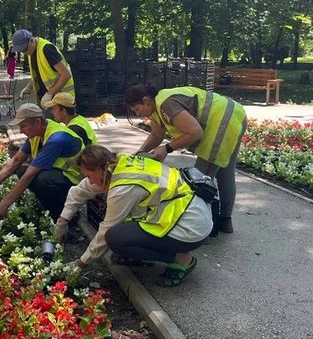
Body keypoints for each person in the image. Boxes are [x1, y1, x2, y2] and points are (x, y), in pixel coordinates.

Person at [56, 146, 213, 286]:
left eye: (89, 176)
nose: (89, 181)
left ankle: (182, 259)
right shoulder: (118, 163)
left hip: (189, 226)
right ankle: (143, 256)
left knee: (115, 238)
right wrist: (63, 221)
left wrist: (80, 263)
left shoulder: (123, 187)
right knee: (122, 236)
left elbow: (105, 231)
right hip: (185, 211)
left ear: (100, 169)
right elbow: (81, 190)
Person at [124, 85, 247, 234]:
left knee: (199, 180)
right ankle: (225, 221)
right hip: (233, 114)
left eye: (137, 109)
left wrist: (167, 148)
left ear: (146, 101)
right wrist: (140, 153)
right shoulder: (157, 108)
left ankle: (199, 227)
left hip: (223, 121)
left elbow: (195, 132)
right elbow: (157, 136)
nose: (137, 114)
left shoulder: (166, 104)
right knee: (225, 173)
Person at [0, 103, 84, 222]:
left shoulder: (56, 138)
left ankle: (64, 216)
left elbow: (30, 174)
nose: (21, 131)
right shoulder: (36, 133)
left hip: (77, 181)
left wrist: (5, 204)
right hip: (60, 175)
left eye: (23, 126)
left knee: (42, 179)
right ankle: (47, 206)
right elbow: (16, 160)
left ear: (38, 122)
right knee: (22, 170)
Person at [12, 29, 74, 108]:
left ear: (31, 40)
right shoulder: (31, 52)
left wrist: (49, 94)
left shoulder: (47, 49)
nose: (24, 53)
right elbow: (40, 73)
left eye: (24, 49)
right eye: (21, 51)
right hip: (48, 100)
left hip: (61, 102)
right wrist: (29, 87)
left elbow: (66, 74)